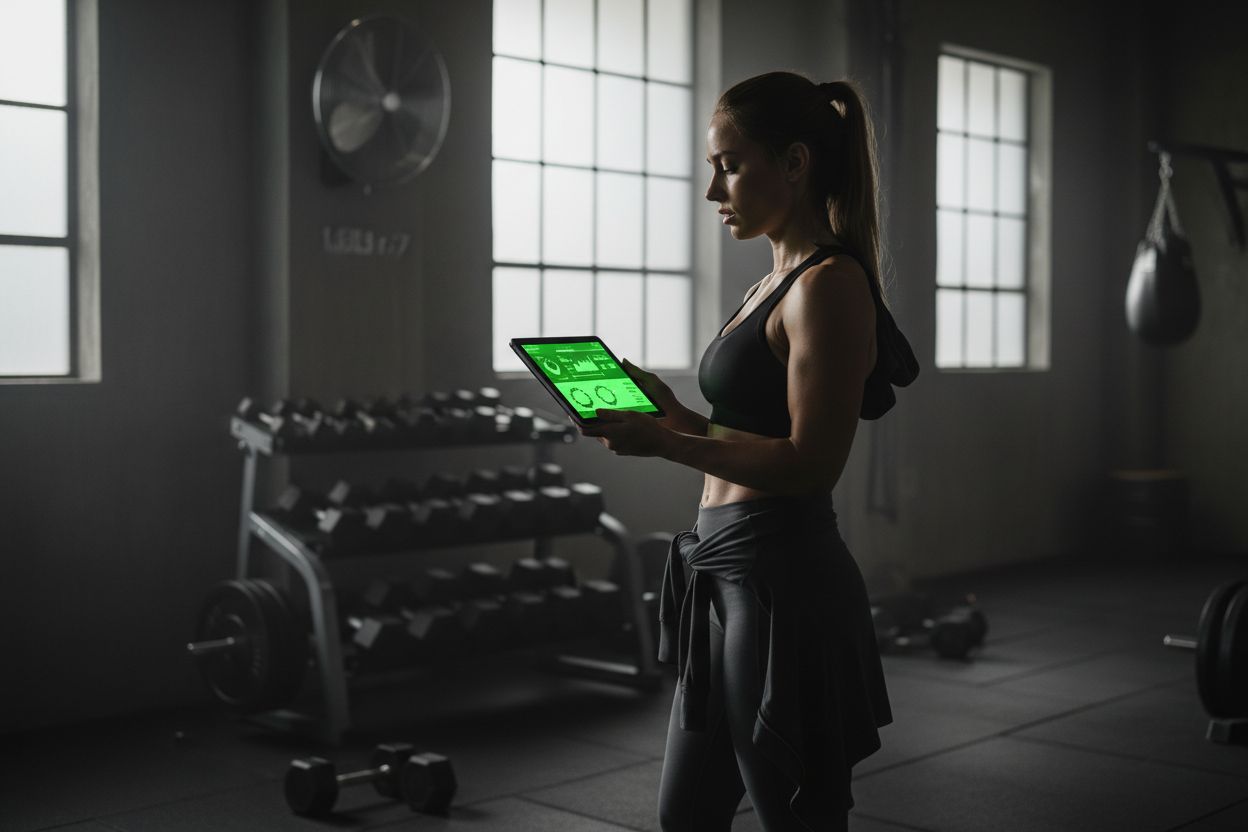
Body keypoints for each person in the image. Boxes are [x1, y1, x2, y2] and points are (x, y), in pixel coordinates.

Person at [577, 71, 919, 831]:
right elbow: (752, 436)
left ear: (794, 163)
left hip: (783, 585)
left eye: (728, 164)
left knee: (798, 815)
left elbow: (808, 464)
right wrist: (675, 417)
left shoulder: (827, 285)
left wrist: (665, 444)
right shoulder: (771, 282)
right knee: (688, 819)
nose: (713, 190)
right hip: (719, 572)